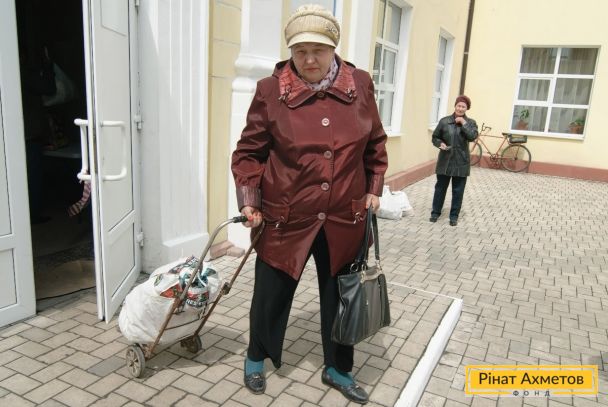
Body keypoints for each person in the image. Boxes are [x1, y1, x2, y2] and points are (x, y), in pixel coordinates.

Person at [231, 4, 388, 404]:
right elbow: (249, 153)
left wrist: (374, 186)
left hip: (345, 217)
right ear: (291, 51)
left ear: (334, 49)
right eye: (300, 51)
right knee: (270, 294)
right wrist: (250, 200)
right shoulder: (270, 91)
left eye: (318, 50)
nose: (310, 59)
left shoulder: (361, 85)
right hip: (285, 217)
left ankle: (337, 368)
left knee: (341, 297)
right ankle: (256, 356)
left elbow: (375, 143)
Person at [430, 95, 478, 226]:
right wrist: (439, 143)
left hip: (461, 162)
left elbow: (472, 136)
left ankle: (454, 216)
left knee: (458, 191)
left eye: (463, 106)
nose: (460, 108)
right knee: (440, 189)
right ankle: (435, 213)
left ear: (467, 108)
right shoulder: (444, 121)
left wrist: (463, 123)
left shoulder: (471, 123)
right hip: (445, 161)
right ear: (455, 106)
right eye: (459, 106)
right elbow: (435, 137)